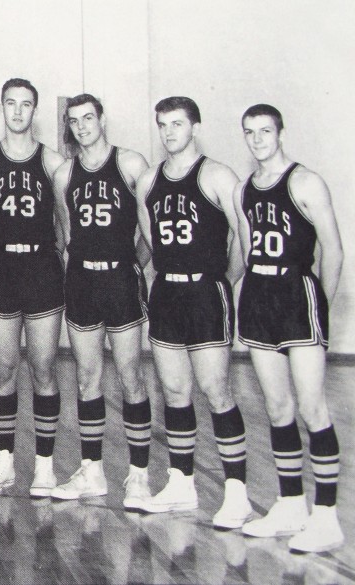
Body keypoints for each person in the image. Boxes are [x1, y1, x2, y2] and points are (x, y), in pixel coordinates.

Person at [133, 96, 252, 528]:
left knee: (216, 390)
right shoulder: (148, 181)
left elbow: (244, 236)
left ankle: (237, 492)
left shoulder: (217, 175)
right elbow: (150, 242)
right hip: (167, 292)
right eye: (163, 125)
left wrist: (223, 279)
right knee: (175, 391)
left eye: (177, 124)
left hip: (206, 292)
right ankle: (181, 483)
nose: (169, 132)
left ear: (195, 127)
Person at [234, 104, 344, 553]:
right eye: (250, 132)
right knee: (277, 408)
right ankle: (291, 503)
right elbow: (246, 252)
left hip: (297, 295)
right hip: (260, 298)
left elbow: (333, 252)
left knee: (312, 407)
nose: (258, 139)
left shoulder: (304, 182)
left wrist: (320, 302)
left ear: (280, 133)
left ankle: (327, 517)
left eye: (265, 131)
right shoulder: (245, 189)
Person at [51, 94, 152, 507]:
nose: (82, 126)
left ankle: (140, 475)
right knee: (86, 378)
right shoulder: (64, 173)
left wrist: (130, 265)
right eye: (74, 121)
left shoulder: (130, 164)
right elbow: (67, 233)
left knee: (131, 376)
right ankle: (92, 471)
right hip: (82, 281)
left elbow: (148, 231)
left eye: (88, 118)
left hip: (121, 280)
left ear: (102, 118)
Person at [0, 79, 66, 496]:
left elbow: (64, 221)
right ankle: (4, 460)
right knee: (3, 369)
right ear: (2, 107)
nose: (19, 112)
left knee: (44, 369)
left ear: (35, 110)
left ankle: (45, 466)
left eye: (26, 105)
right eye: (11, 103)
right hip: (2, 267)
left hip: (42, 267)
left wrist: (40, 249)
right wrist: (9, 247)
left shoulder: (53, 161)